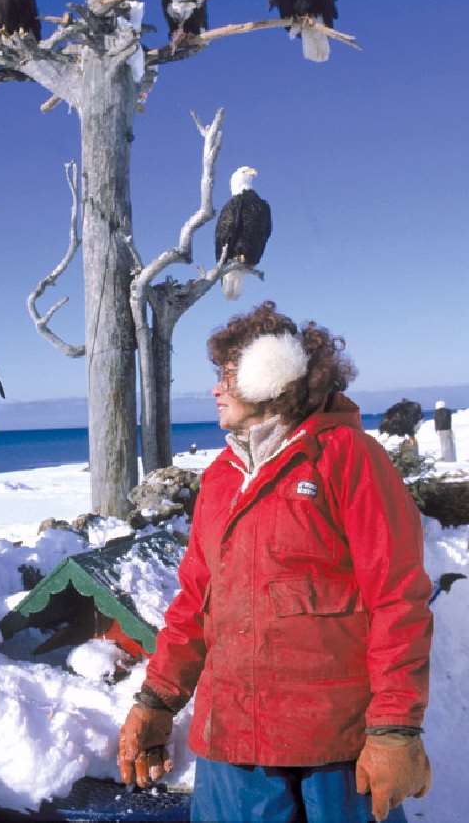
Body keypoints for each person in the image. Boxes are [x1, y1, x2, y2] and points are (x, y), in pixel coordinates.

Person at [118, 302, 432, 823]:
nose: (216, 390)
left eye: (228, 376)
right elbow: (195, 601)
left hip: (336, 748)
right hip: (232, 749)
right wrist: (157, 700)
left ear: (273, 376)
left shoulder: (347, 457)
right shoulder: (220, 477)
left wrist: (396, 730)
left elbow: (398, 599)